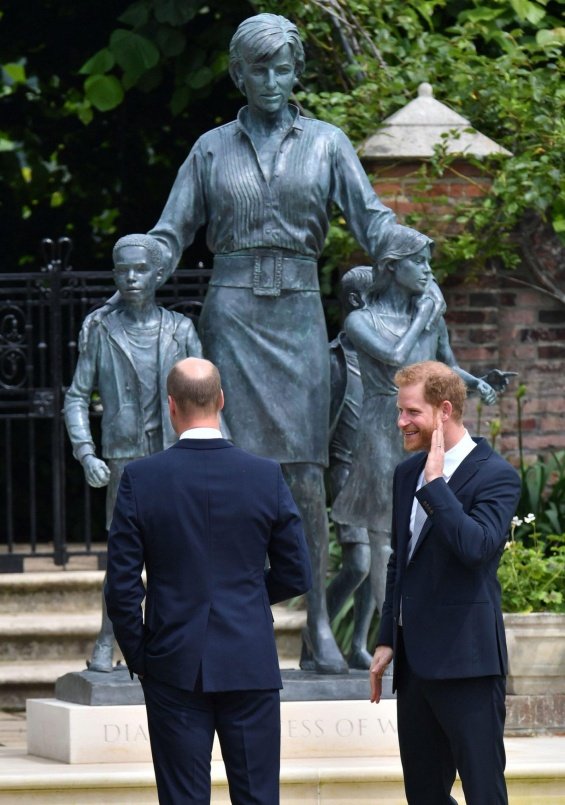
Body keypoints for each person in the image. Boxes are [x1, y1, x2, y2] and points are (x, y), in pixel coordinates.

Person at [105, 357, 312, 804]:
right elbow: (297, 571)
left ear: (171, 406)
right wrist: (250, 599)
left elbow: (121, 586)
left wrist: (142, 656)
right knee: (257, 797)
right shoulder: (265, 475)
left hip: (172, 660)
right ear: (221, 400)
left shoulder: (141, 479)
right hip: (248, 658)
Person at [369, 360, 521, 805]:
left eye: (411, 412)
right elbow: (401, 560)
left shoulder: (497, 475)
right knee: (424, 795)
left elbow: (477, 549)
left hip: (469, 664)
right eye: (401, 411)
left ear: (445, 410)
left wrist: (436, 486)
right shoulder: (404, 475)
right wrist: (386, 639)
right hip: (414, 668)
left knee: (484, 792)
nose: (401, 421)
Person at [332, 225, 504, 611]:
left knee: (428, 522)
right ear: (392, 267)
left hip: (428, 431)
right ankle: (392, 630)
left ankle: (423, 618)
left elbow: (446, 368)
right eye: (419, 262)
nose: (428, 271)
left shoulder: (431, 318)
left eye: (429, 263)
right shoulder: (362, 321)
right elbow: (397, 357)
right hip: (383, 424)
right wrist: (424, 314)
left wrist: (479, 383)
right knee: (383, 534)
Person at [64, 234, 203, 672]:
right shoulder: (100, 329)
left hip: (175, 456)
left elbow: (207, 396)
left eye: (140, 269)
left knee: (177, 554)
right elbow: (76, 396)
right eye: (122, 270)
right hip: (125, 459)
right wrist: (86, 453)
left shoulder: (181, 330)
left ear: (158, 274)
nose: (130, 277)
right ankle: (108, 639)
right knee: (124, 559)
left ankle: (167, 643)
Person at [325, 266, 375, 670]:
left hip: (381, 471)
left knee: (377, 563)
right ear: (357, 301)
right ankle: (318, 631)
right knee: (358, 563)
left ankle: (358, 644)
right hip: (345, 473)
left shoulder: (385, 358)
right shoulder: (332, 360)